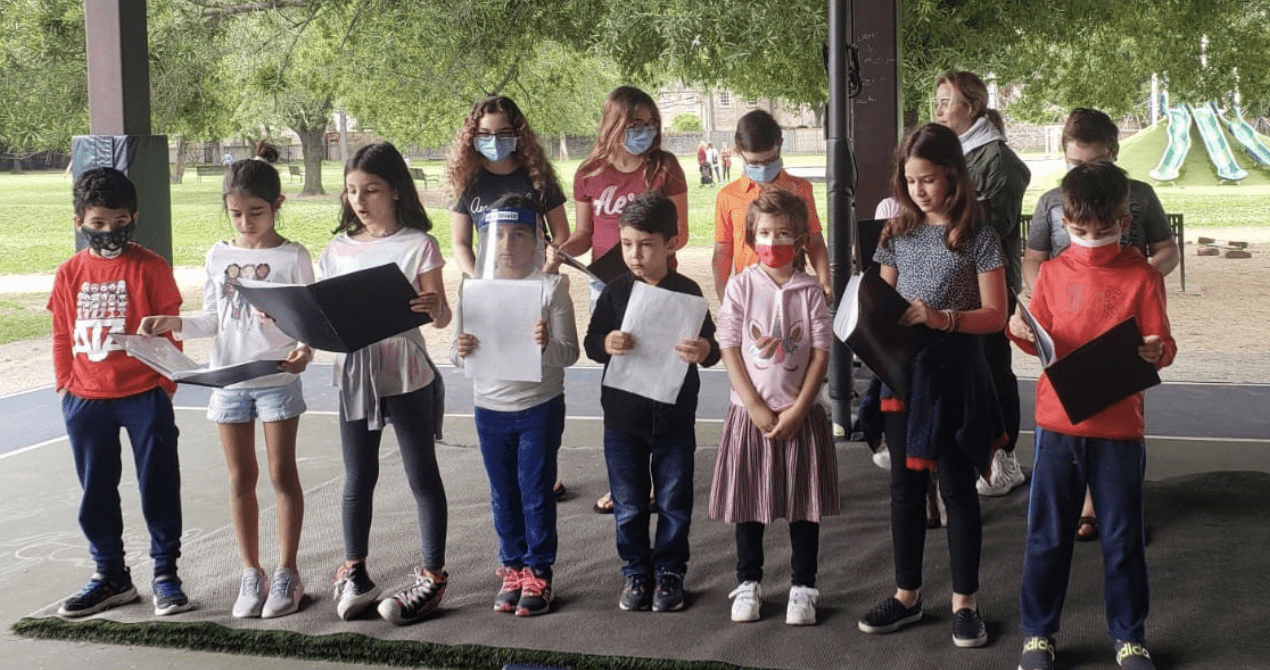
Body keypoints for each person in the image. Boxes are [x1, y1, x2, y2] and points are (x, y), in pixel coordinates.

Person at [1008, 160, 1175, 670]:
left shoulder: (1143, 277)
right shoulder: (1054, 273)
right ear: (1064, 223)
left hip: (1120, 426)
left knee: (1123, 535)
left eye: (1102, 231)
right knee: (1047, 533)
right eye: (1078, 231)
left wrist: (1155, 350)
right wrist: (1019, 327)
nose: (1090, 240)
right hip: (1058, 423)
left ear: (1126, 222)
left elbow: (1162, 343)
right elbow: (1040, 339)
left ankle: (1129, 636)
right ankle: (1038, 633)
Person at [138, 159, 314, 619]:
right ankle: (250, 571)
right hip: (228, 380)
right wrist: (173, 322)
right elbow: (213, 318)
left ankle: (287, 572)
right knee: (240, 477)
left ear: (277, 205)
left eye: (256, 211)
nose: (246, 222)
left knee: (281, 475)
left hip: (276, 378)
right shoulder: (218, 255)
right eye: (236, 213)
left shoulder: (294, 256)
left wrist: (304, 350)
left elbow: (309, 321)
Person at [856, 124, 1007, 648]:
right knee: (904, 489)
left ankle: (965, 603)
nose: (918, 190)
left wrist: (943, 318)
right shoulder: (896, 231)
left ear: (953, 176)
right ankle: (907, 596)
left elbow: (996, 315)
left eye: (928, 179)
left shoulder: (979, 235)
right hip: (904, 375)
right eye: (909, 179)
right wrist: (868, 323)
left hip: (955, 374)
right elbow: (880, 299)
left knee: (957, 489)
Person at [1023, 108, 1181, 541]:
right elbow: (1034, 259)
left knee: (1114, 417)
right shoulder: (1051, 200)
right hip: (1068, 322)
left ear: (1114, 152)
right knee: (1070, 412)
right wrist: (1052, 297)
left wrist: (1139, 276)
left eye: (1096, 162)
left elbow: (1167, 249)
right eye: (1076, 164)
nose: (1087, 171)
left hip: (1122, 315)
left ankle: (1105, 509)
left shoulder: (1141, 196)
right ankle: (1083, 505)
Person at [49, 167, 191, 617]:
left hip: (143, 395)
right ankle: (110, 574)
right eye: (98, 224)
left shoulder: (151, 267)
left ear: (134, 217)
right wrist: (65, 388)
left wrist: (164, 386)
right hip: (86, 398)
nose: (109, 232)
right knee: (95, 490)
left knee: (158, 484)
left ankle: (166, 573)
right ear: (80, 223)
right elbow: (59, 333)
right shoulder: (69, 273)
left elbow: (170, 331)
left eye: (118, 222)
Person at [321, 142, 452, 626]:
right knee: (358, 477)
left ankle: (433, 574)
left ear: (395, 190)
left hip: (406, 373)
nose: (359, 199)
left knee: (422, 474)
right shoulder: (335, 249)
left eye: (371, 189)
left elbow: (441, 316)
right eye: (352, 190)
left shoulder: (418, 244)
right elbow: (326, 314)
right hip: (355, 376)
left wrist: (434, 307)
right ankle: (354, 569)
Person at [583, 192, 720, 613]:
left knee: (675, 500)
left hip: (675, 416)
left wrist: (703, 350)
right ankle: (635, 571)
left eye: (645, 244)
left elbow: (711, 347)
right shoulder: (615, 292)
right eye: (626, 244)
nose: (635, 254)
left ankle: (670, 572)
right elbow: (592, 343)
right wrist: (606, 342)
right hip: (623, 418)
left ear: (671, 243)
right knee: (627, 502)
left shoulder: (688, 292)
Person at [710, 187, 838, 626]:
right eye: (764, 233)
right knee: (749, 504)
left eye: (784, 233)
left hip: (800, 418)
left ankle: (804, 586)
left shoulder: (810, 292)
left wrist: (801, 408)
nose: (773, 242)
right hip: (751, 418)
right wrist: (753, 407)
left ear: (802, 239)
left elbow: (821, 351)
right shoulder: (741, 286)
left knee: (804, 506)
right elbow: (727, 345)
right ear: (750, 238)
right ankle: (748, 582)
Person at [563, 85, 689, 515]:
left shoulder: (665, 167)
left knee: (657, 384)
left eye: (650, 124)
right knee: (619, 387)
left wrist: (643, 259)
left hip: (657, 286)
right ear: (613, 123)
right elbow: (582, 236)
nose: (645, 132)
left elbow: (681, 232)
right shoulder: (589, 173)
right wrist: (561, 251)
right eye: (635, 125)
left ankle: (658, 482)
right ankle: (624, 483)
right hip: (608, 288)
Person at [452, 195, 579, 617]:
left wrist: (544, 346)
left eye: (519, 234)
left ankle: (539, 571)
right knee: (502, 493)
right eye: (497, 235)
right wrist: (461, 349)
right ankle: (512, 566)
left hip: (538, 406)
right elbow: (458, 355)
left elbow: (569, 353)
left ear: (537, 241)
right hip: (488, 408)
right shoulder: (472, 288)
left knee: (535, 492)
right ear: (485, 241)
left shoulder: (551, 287)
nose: (506, 244)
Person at [934, 70, 1030, 498]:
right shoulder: (947, 155)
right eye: (936, 102)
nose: (938, 110)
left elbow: (998, 223)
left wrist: (945, 208)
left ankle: (1003, 458)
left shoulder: (999, 161)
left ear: (973, 107)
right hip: (948, 279)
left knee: (992, 369)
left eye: (946, 102)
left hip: (987, 282)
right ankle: (966, 451)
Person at [712, 109, 834, 303]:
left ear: (779, 146)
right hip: (748, 295)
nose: (762, 168)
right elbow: (723, 252)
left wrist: (825, 282)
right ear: (739, 152)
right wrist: (723, 296)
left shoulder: (800, 189)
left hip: (792, 291)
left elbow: (815, 242)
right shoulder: (728, 196)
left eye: (769, 160)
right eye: (753, 163)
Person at [447, 95, 570, 278]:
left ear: (517, 134)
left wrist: (546, 271)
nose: (494, 141)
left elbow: (562, 234)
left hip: (541, 279)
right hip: (489, 281)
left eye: (504, 133)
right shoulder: (466, 181)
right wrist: (478, 279)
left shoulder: (538, 176)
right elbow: (460, 243)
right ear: (473, 136)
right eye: (485, 133)